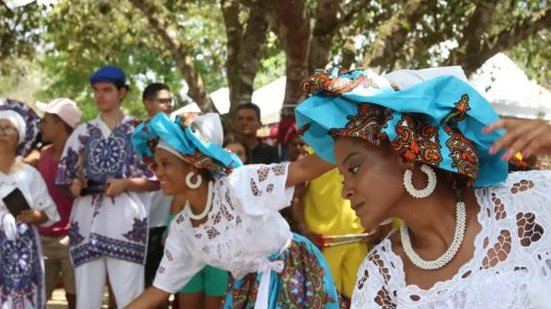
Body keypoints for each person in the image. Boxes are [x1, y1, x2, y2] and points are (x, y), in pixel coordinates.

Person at [295, 67, 551, 308]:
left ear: (405, 153)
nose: (345, 190)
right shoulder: (382, 275)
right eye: (342, 177)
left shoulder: (523, 204)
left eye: (354, 168)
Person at [127, 111, 339, 308]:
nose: (159, 173)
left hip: (293, 272)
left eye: (166, 164)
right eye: (156, 166)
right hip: (247, 289)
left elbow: (302, 169)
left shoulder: (238, 185)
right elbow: (160, 289)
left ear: (192, 164)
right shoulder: (184, 230)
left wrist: (349, 141)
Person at [55, 66, 158, 308]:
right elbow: (63, 178)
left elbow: (157, 179)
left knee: (129, 298)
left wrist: (126, 184)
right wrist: (75, 187)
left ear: (121, 92)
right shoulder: (82, 133)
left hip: (127, 224)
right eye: (97, 90)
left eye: (107, 90)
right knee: (87, 299)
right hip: (86, 223)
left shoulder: (139, 132)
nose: (100, 95)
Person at [280, 119, 371, 308]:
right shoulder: (311, 157)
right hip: (324, 243)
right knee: (325, 299)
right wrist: (305, 232)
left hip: (357, 240)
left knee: (360, 298)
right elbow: (296, 197)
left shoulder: (359, 153)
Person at [0, 98, 60, 308]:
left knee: (25, 297)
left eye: (9, 129)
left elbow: (48, 212)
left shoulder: (30, 174)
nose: (2, 133)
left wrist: (34, 215)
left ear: (20, 136)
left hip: (24, 246)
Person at [36, 98, 82, 308]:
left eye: (46, 121)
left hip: (72, 239)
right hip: (42, 239)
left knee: (76, 297)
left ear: (61, 125)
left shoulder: (80, 158)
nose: (41, 126)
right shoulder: (42, 156)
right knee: (38, 298)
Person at [141, 83, 174, 289]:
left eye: (171, 101)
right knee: (144, 284)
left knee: (167, 284)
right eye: (163, 101)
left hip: (171, 219)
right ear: (147, 104)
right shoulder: (137, 135)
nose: (168, 105)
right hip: (141, 221)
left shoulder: (179, 133)